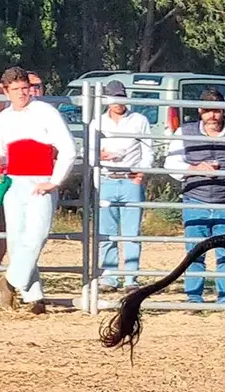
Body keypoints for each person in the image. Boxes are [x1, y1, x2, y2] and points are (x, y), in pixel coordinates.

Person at [0, 66, 76, 315]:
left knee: (37, 235)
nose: (22, 93)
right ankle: (33, 296)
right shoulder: (4, 118)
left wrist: (55, 180)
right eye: (16, 89)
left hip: (40, 180)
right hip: (14, 181)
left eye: (25, 88)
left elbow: (68, 148)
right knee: (17, 239)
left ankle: (11, 280)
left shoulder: (45, 112)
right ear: (6, 91)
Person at [163, 89, 225, 306]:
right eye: (207, 111)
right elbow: (171, 165)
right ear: (200, 111)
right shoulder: (184, 132)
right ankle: (194, 297)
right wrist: (195, 167)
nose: (212, 116)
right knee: (194, 252)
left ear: (223, 110)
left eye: (216, 110)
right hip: (195, 199)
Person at [90, 79, 152, 291]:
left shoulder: (139, 120)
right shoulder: (97, 122)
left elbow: (148, 150)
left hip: (130, 180)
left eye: (120, 96)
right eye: (113, 97)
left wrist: (141, 174)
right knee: (106, 233)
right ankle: (109, 276)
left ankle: (130, 278)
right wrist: (99, 155)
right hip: (107, 179)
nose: (117, 101)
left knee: (131, 233)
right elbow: (88, 152)